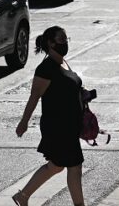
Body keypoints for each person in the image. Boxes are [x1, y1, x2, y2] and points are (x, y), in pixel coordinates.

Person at [14, 26, 86, 206]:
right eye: (61, 40)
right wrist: (24, 122)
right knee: (74, 167)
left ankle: (23, 196)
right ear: (50, 43)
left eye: (66, 39)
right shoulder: (46, 68)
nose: (65, 43)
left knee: (56, 165)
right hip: (58, 126)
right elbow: (34, 97)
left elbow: (69, 86)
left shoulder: (63, 61)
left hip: (69, 125)